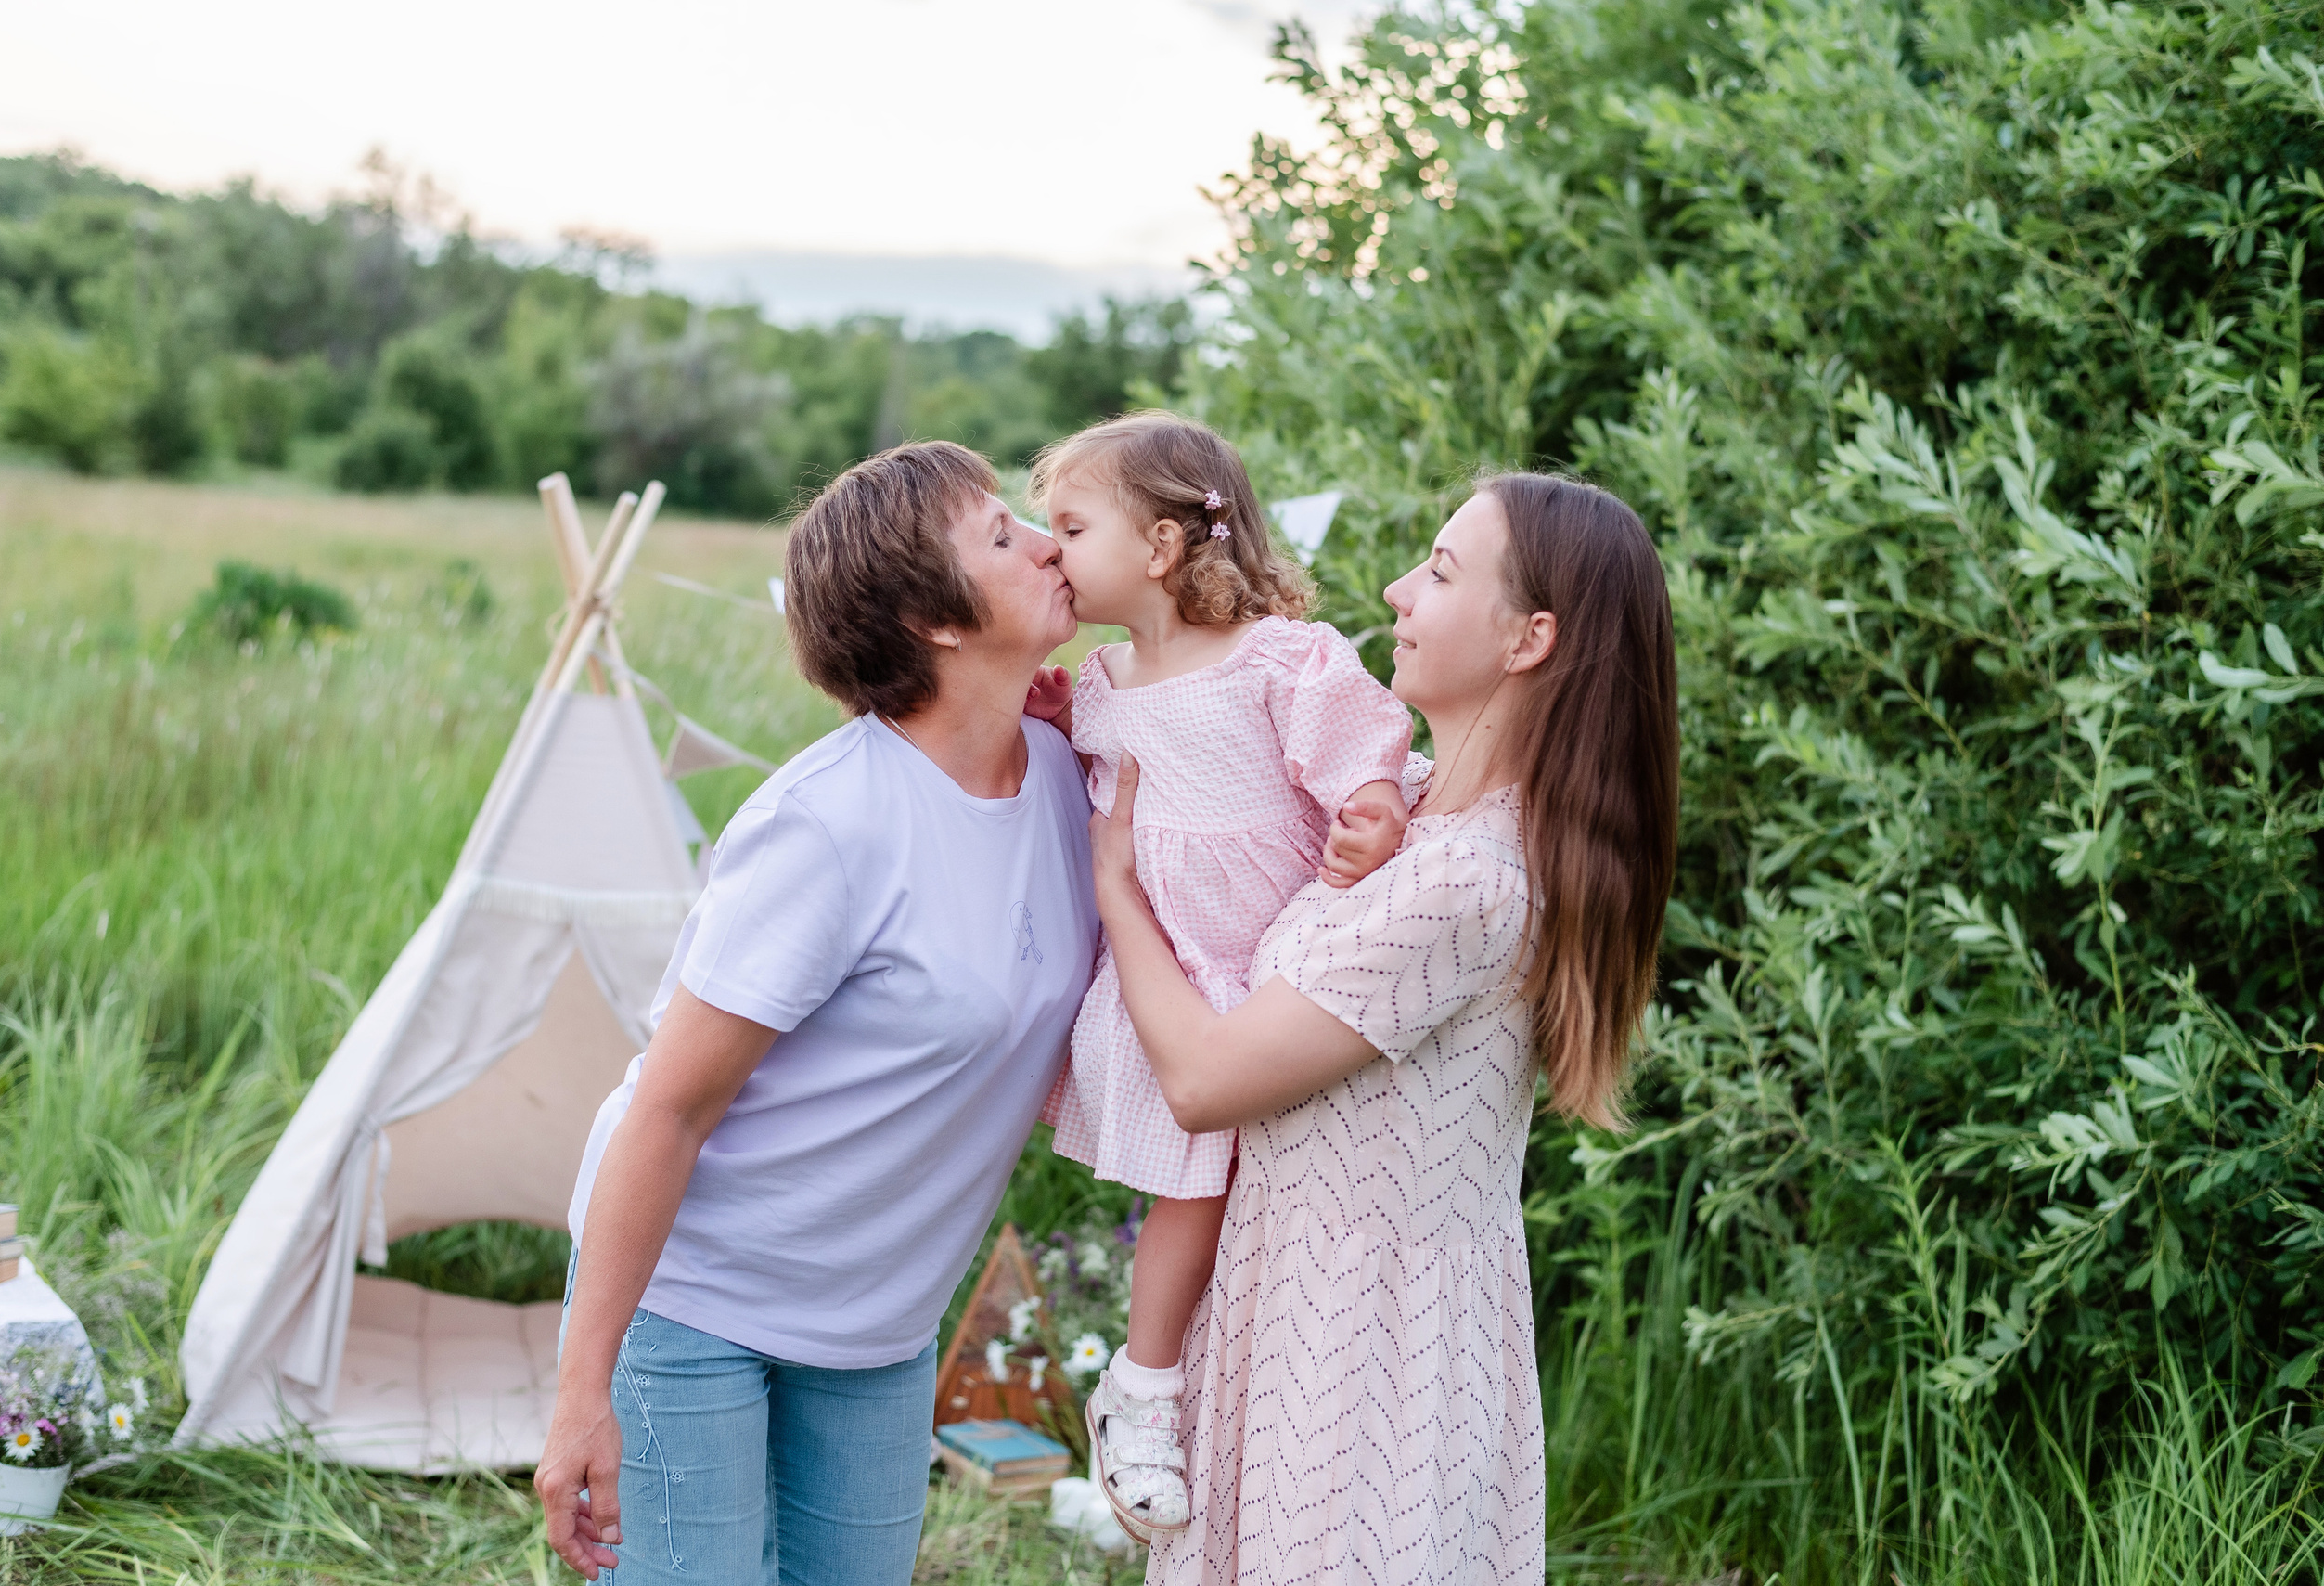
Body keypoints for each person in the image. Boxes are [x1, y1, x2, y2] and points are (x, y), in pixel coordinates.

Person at [1091, 473, 1680, 1581]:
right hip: (1288, 1309)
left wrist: (1116, 889)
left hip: (1363, 1363)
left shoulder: (1466, 879)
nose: (1397, 589)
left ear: (1529, 638)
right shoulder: (1404, 809)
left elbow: (1206, 1080)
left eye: (1443, 571)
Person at [534, 441, 1099, 1585]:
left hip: (878, 1324)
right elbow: (666, 1108)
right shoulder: (829, 824)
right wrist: (579, 1392)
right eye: (1002, 534)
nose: (1050, 540)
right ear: (932, 619)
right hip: (697, 1296)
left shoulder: (1068, 775)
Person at [1023, 412, 1415, 1543]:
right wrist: (1049, 714)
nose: (1050, 548)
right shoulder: (1097, 682)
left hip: (1282, 967)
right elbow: (1068, 753)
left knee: (1277, 1207)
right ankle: (1141, 1391)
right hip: (1178, 978)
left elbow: (1358, 746)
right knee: (1193, 1188)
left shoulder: (1277, 657)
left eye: (1069, 525)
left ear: (1157, 546)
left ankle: (1240, 1401)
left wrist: (1369, 810)